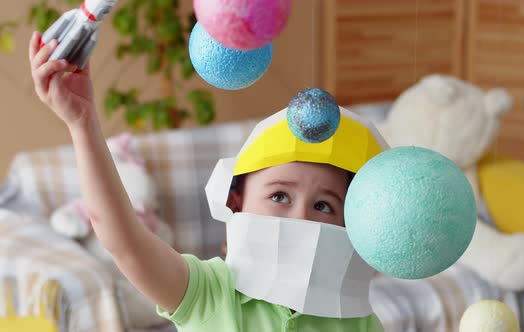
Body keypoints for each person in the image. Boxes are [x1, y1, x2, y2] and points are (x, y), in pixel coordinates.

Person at [29, 31, 386, 331]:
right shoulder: (207, 292)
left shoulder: (357, 319)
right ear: (234, 201)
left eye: (323, 205)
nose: (300, 218)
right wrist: (82, 123)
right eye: (279, 196)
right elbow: (124, 242)